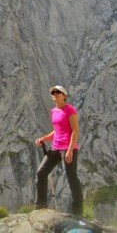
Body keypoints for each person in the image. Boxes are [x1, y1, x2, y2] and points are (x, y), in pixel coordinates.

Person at [35, 85, 83, 215]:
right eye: (53, 92)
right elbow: (56, 131)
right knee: (41, 173)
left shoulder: (70, 110)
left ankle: (77, 211)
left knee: (72, 177)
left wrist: (70, 149)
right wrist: (43, 139)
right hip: (55, 148)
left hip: (68, 148)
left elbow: (75, 131)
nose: (55, 94)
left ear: (64, 96)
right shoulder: (53, 111)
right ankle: (40, 207)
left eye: (58, 92)